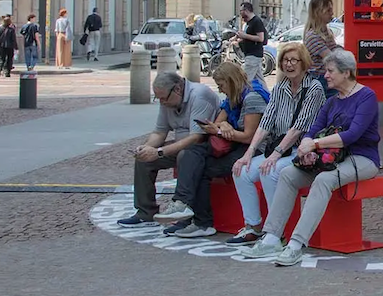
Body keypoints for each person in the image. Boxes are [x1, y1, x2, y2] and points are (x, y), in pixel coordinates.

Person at [241, 49, 382, 267]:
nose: (325, 75)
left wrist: (314, 144)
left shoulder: (367, 97)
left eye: (330, 71)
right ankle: (271, 237)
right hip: (329, 157)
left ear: (346, 73)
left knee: (324, 180)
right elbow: (314, 128)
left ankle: (297, 244)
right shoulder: (333, 101)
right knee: (287, 174)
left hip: (362, 158)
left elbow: (352, 135)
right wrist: (306, 149)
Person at [228, 41, 326, 245]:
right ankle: (253, 226)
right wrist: (249, 152)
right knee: (241, 171)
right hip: (281, 150)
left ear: (303, 63)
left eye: (293, 60)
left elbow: (299, 126)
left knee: (270, 171)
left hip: (301, 151)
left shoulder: (314, 88)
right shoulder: (281, 87)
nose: (289, 65)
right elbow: (266, 121)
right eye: (285, 60)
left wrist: (274, 156)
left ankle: (275, 232)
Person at [157, 61, 270, 237]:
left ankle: (202, 222)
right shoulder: (232, 99)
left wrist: (221, 130)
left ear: (231, 81)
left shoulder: (252, 97)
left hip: (253, 148)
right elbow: (215, 125)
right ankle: (181, 204)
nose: (220, 90)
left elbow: (250, 136)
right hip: (234, 144)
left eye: (221, 85)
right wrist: (221, 126)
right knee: (191, 152)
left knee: (202, 168)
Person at [117, 71, 221, 227]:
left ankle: (183, 214)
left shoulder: (199, 95)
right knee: (144, 160)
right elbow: (160, 132)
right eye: (158, 98)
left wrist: (159, 152)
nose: (161, 102)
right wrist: (147, 148)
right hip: (182, 144)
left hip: (203, 146)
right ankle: (145, 212)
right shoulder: (166, 100)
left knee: (184, 156)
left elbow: (196, 137)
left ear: (177, 89)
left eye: (163, 98)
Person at [302, 0, 339, 92]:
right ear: (318, 13)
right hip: (320, 80)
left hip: (327, 77)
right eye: (328, 11)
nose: (332, 13)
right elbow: (332, 58)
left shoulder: (327, 32)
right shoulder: (313, 36)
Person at [235, 1, 267, 82]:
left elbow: (260, 38)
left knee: (245, 79)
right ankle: (267, 94)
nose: (240, 13)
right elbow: (249, 36)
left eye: (241, 11)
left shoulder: (256, 21)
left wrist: (244, 36)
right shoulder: (248, 23)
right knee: (260, 80)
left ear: (246, 10)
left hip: (253, 55)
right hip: (250, 55)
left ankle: (239, 94)